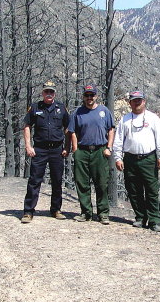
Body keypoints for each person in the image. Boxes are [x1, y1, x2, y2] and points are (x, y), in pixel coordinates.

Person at [113, 90, 160, 232]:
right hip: (130, 159)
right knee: (133, 190)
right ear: (129, 102)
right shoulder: (125, 119)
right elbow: (118, 140)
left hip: (148, 159)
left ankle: (155, 220)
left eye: (140, 100)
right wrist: (118, 158)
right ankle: (140, 217)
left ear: (144, 101)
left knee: (151, 190)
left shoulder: (153, 118)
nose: (137, 102)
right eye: (134, 100)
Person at [21, 81, 70, 223]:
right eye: (46, 91)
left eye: (51, 92)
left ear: (55, 93)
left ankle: (56, 209)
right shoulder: (35, 107)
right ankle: (28, 211)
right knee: (34, 180)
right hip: (40, 149)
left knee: (57, 180)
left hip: (57, 150)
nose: (49, 94)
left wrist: (67, 147)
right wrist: (28, 146)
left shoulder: (61, 108)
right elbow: (27, 126)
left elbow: (68, 129)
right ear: (42, 93)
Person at [68, 84, 115, 225]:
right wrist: (75, 149)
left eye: (92, 95)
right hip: (82, 151)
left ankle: (103, 214)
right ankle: (86, 212)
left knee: (101, 183)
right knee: (82, 184)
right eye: (87, 95)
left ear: (96, 96)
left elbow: (111, 129)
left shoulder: (104, 111)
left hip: (99, 150)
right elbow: (72, 132)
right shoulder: (78, 112)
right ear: (83, 96)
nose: (89, 98)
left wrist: (109, 148)